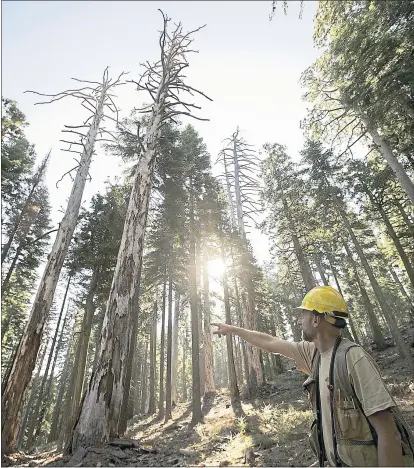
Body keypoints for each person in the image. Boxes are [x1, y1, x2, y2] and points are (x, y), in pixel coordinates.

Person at [212, 285, 414, 467]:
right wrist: (234, 330)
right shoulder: (313, 354)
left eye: (303, 315)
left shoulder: (353, 358)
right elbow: (271, 342)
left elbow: (389, 434)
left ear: (316, 319)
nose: (299, 321)